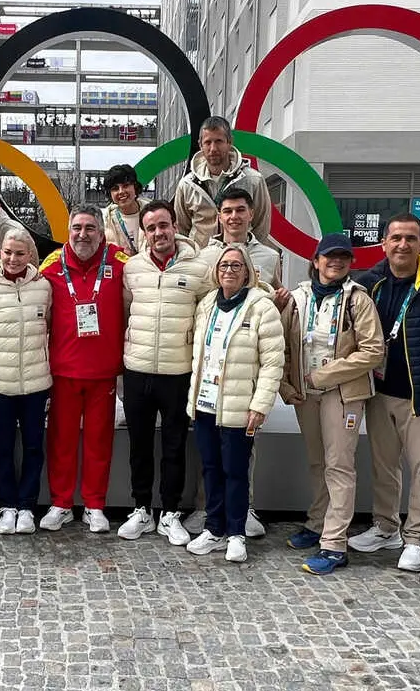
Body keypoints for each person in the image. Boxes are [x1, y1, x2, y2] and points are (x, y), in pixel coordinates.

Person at [349, 213, 420, 572]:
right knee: (384, 465)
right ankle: (385, 527)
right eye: (395, 238)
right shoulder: (370, 283)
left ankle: (418, 539)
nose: (402, 244)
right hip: (379, 392)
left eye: (411, 238)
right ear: (384, 243)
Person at [277, 233, 384, 575]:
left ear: (351, 263)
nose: (335, 262)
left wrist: (324, 376)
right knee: (316, 462)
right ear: (316, 260)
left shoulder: (358, 300)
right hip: (306, 395)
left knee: (339, 466)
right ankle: (318, 520)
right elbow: (285, 346)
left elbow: (373, 351)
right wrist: (286, 384)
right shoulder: (297, 298)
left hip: (342, 394)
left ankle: (335, 544)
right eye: (329, 256)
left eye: (343, 257)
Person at [118, 200, 211, 546]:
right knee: (139, 446)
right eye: (151, 227)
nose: (159, 232)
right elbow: (127, 309)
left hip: (177, 371)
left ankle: (169, 512)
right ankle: (141, 508)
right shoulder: (132, 268)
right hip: (138, 370)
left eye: (164, 225)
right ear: (144, 233)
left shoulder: (198, 267)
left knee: (174, 446)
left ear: (175, 226)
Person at [186, 246, 285, 562]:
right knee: (211, 469)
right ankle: (214, 529)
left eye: (236, 265)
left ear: (248, 272)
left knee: (236, 472)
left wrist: (260, 404)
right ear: (216, 271)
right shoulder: (206, 305)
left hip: (240, 407)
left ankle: (236, 533)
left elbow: (272, 362)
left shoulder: (261, 308)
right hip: (206, 403)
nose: (229, 270)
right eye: (224, 265)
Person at [38, 205, 130, 533]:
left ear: (101, 232)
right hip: (63, 370)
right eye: (77, 228)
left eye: (90, 228)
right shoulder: (50, 266)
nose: (83, 234)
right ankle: (61, 503)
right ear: (68, 231)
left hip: (103, 371)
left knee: (98, 441)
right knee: (61, 440)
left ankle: (94, 505)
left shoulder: (120, 263)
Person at [0, 227, 52, 535]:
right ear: (0, 252)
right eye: (8, 252)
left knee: (34, 447)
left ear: (31, 255)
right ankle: (7, 506)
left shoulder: (44, 287)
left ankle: (27, 507)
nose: (13, 258)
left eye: (20, 253)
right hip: (1, 385)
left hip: (36, 382)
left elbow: (50, 325)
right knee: (3, 448)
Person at [172, 116, 272, 248]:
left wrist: (247, 254)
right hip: (201, 260)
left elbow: (261, 225)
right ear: (200, 145)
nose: (213, 148)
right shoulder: (186, 185)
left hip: (239, 261)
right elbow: (182, 228)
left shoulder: (253, 180)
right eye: (208, 142)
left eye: (219, 141)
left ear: (229, 142)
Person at [200, 187, 282, 289]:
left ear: (251, 214)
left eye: (240, 210)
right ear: (220, 217)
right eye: (228, 211)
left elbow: (276, 296)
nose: (234, 216)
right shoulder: (202, 257)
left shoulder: (270, 257)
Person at [102, 163, 148, 256]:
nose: (121, 191)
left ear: (135, 187)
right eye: (115, 188)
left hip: (148, 269)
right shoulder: (104, 220)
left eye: (126, 185)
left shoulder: (152, 213)